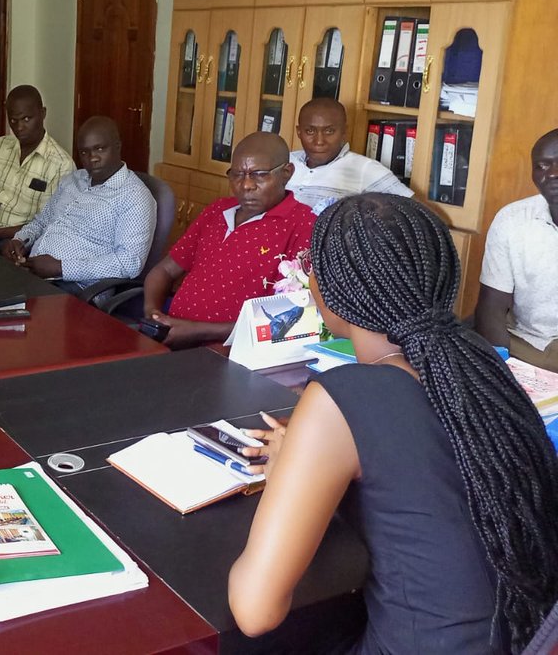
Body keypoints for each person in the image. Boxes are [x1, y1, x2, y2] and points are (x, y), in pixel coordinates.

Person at [229, 194, 558, 653]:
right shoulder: (480, 364)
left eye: (312, 265)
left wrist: (292, 468)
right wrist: (310, 458)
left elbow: (254, 610)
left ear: (334, 289)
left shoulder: (339, 400)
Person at [141, 131, 315, 348]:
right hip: (172, 336)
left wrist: (197, 331)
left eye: (259, 174)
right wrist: (153, 314)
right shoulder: (218, 210)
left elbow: (292, 319)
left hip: (234, 350)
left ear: (287, 173)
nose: (246, 185)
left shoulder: (303, 224)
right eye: (237, 174)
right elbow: (165, 270)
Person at [2, 117, 155, 292]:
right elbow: (41, 221)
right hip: (31, 273)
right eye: (84, 152)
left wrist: (62, 268)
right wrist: (19, 240)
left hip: (75, 288)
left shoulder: (134, 196)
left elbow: (130, 262)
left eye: (100, 148)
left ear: (118, 146)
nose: (93, 158)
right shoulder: (72, 180)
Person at [475, 128, 558, 370]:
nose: (552, 174)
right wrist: (500, 369)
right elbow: (492, 306)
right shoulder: (512, 219)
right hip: (524, 341)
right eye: (541, 166)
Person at [0, 85, 75, 245]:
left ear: (43, 113)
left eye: (26, 119)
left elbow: (48, 225)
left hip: (18, 242)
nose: (19, 127)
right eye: (13, 120)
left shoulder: (61, 165)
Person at [285, 98, 412, 214]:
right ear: (299, 132)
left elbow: (415, 211)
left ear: (344, 132)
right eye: (310, 131)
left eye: (329, 131)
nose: (319, 141)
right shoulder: (285, 160)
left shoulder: (364, 168)